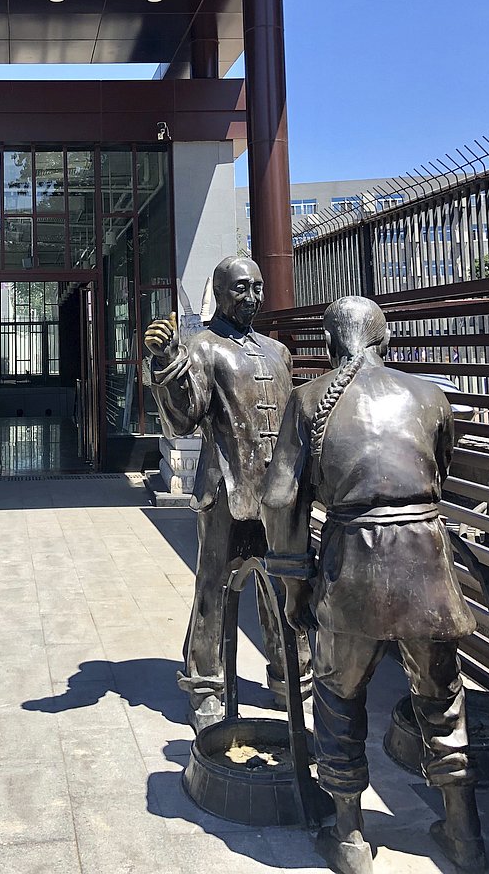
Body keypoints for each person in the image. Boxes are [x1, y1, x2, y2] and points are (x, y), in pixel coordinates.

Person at [262, 296, 484, 874]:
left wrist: (295, 588)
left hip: (352, 571)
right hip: (427, 567)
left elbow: (280, 499)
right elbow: (440, 470)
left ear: (331, 344)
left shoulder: (308, 398)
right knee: (443, 699)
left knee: (338, 696)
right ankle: (465, 835)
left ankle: (350, 838)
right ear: (385, 340)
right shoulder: (430, 395)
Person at [144, 255, 311, 733]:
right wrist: (167, 362)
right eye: (241, 287)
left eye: (257, 287)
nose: (252, 296)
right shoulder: (202, 347)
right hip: (226, 491)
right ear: (219, 292)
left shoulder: (277, 352)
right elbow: (184, 419)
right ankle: (205, 686)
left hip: (278, 496)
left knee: (283, 585)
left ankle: (291, 676)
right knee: (214, 589)